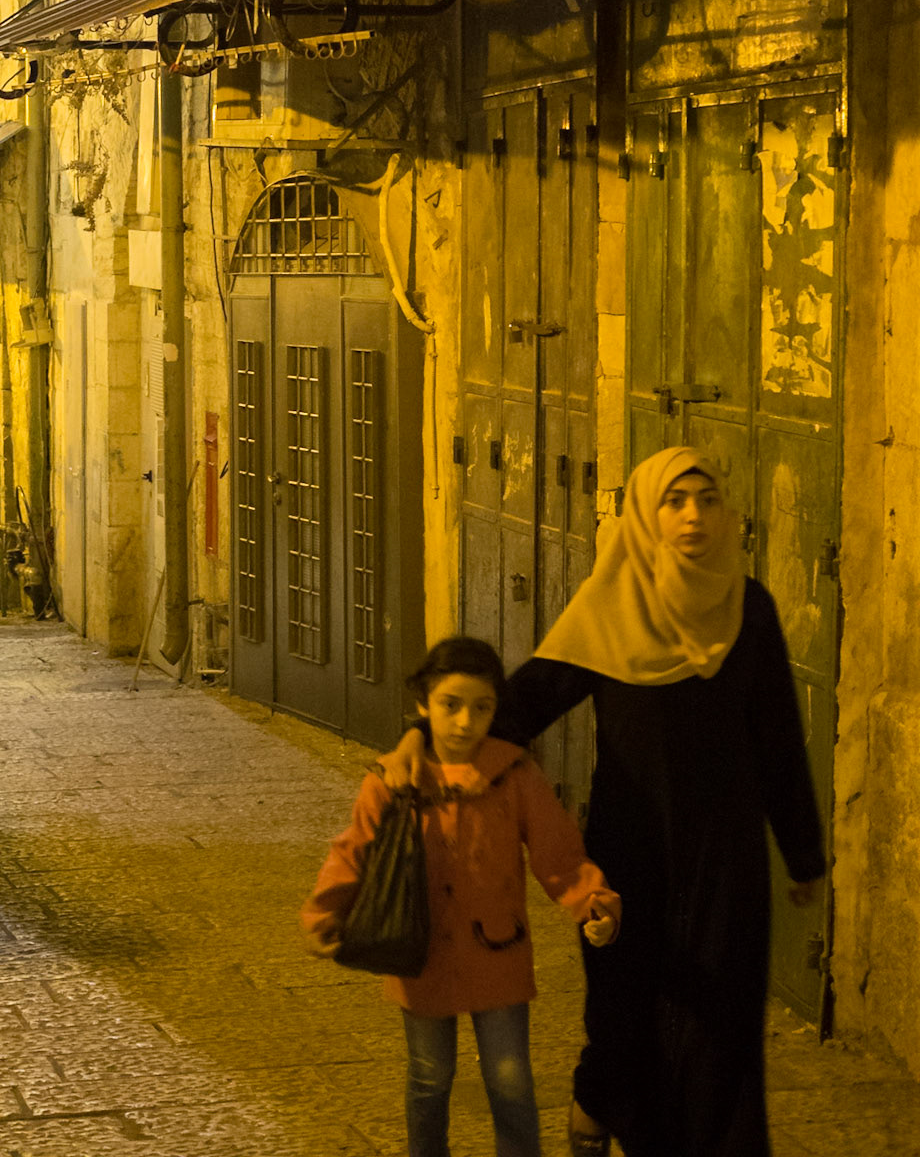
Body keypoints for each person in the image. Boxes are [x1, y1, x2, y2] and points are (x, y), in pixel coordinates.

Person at [382, 450, 825, 1157]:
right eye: (674, 500)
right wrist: (421, 737)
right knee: (622, 1010)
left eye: (706, 500)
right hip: (629, 846)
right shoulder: (608, 609)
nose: (692, 515)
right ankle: (602, 1105)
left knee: (723, 1016)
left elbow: (777, 739)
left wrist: (803, 853)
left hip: (725, 854)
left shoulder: (752, 610)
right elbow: (523, 703)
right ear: (645, 514)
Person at [305, 637, 619, 1157]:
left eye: (482, 707)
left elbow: (558, 854)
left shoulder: (515, 776)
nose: (464, 721)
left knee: (510, 1080)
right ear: (424, 705)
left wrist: (595, 903)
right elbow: (353, 849)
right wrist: (325, 908)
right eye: (450, 705)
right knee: (429, 1078)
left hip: (498, 954)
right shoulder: (393, 780)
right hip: (419, 954)